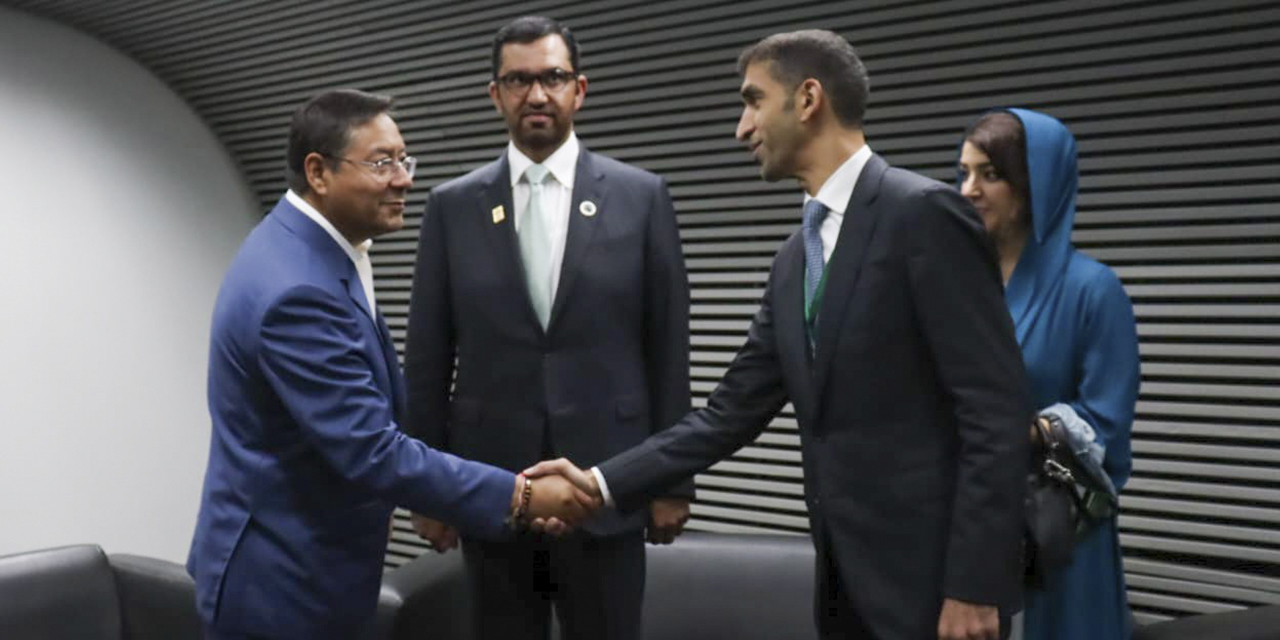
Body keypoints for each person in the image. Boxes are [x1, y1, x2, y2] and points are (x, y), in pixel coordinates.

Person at [529, 29, 1032, 640]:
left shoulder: (923, 214)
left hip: (938, 595)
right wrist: (602, 482)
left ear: (808, 99)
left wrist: (974, 588)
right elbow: (727, 414)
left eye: (753, 101)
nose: (742, 128)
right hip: (846, 589)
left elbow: (994, 413)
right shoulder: (796, 256)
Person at [186, 89, 594, 640]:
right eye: (382, 163)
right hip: (282, 586)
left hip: (308, 571)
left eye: (405, 159)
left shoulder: (311, 251)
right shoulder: (296, 289)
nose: (403, 178)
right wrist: (520, 496)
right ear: (319, 172)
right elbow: (371, 451)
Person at [401, 16, 693, 640]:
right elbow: (427, 355)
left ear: (579, 90)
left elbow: (667, 347)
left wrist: (669, 481)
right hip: (491, 485)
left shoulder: (643, 198)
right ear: (495, 94)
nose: (537, 94)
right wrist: (429, 491)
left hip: (608, 483)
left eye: (553, 78)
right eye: (519, 80)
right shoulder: (452, 206)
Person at [958, 109, 1140, 640]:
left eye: (990, 174)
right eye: (964, 172)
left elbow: (1107, 428)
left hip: (1058, 538)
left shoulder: (1093, 291)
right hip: (971, 529)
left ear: (1037, 183)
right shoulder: (960, 288)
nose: (969, 189)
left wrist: (1019, 429)